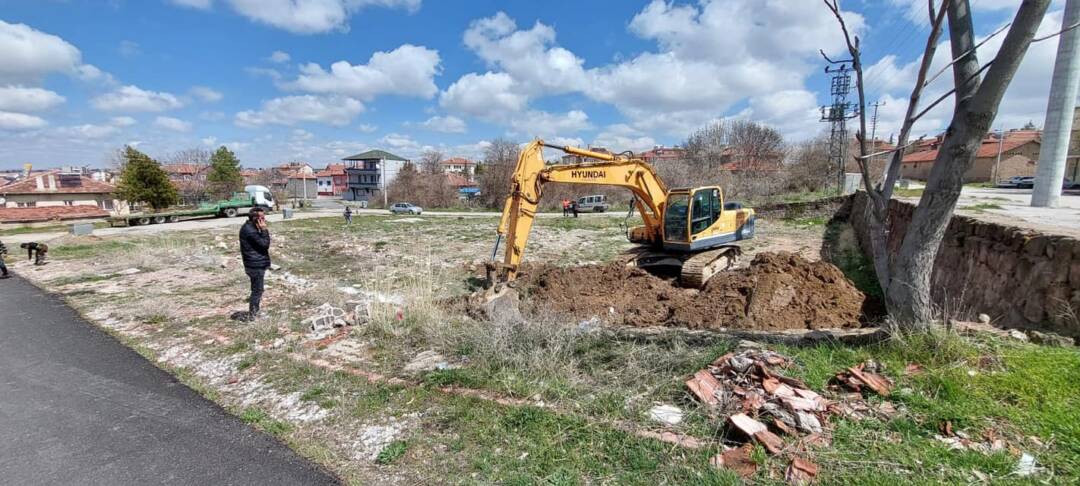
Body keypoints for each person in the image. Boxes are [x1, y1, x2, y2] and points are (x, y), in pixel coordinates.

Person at [238, 207, 271, 321]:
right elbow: (265, 244)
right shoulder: (250, 231)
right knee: (257, 290)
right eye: (261, 217)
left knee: (257, 289)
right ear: (255, 218)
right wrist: (264, 230)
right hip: (254, 265)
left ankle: (254, 312)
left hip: (255, 263)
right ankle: (253, 315)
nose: (264, 219)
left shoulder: (251, 227)